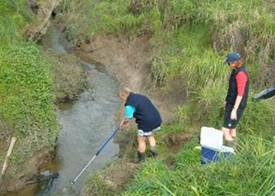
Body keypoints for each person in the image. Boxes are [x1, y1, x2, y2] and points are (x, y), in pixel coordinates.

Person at [119, 88, 162, 162]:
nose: (123, 100)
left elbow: (128, 117)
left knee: (141, 140)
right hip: (156, 118)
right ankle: (154, 154)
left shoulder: (129, 105)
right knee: (150, 136)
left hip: (146, 122)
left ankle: (141, 160)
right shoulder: (140, 96)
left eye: (122, 99)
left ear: (124, 97)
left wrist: (123, 123)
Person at [222, 52, 249, 142]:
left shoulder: (241, 74)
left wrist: (234, 110)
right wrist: (226, 100)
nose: (228, 65)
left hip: (236, 105)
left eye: (229, 63)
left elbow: (240, 94)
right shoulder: (235, 71)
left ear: (234, 62)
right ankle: (234, 146)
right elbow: (232, 89)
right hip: (231, 102)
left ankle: (229, 153)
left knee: (225, 129)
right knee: (232, 128)